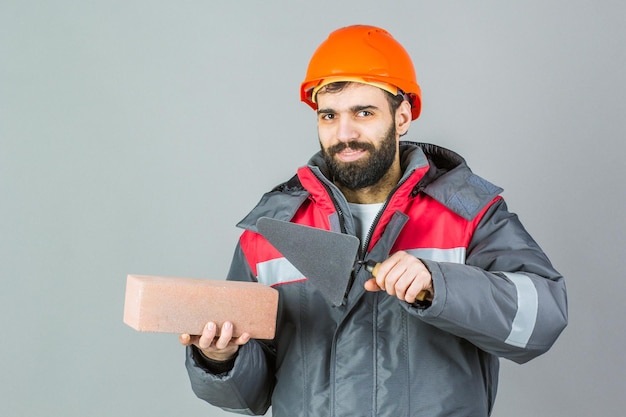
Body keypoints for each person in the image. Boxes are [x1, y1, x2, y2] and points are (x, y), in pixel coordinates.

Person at [179, 25, 568, 416]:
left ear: (401, 118)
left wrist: (441, 286)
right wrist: (221, 358)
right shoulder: (273, 230)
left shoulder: (468, 213)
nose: (344, 134)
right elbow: (250, 397)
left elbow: (542, 320)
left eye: (363, 113)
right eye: (329, 115)